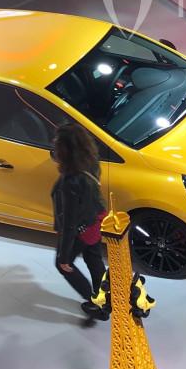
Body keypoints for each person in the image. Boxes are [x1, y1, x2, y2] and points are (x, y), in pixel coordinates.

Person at [51, 124, 109, 320]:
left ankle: (95, 304)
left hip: (81, 230)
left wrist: (64, 256)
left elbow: (69, 222)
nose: (54, 148)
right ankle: (106, 298)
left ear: (66, 151)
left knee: (63, 265)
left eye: (57, 145)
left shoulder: (70, 182)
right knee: (93, 259)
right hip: (96, 219)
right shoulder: (92, 161)